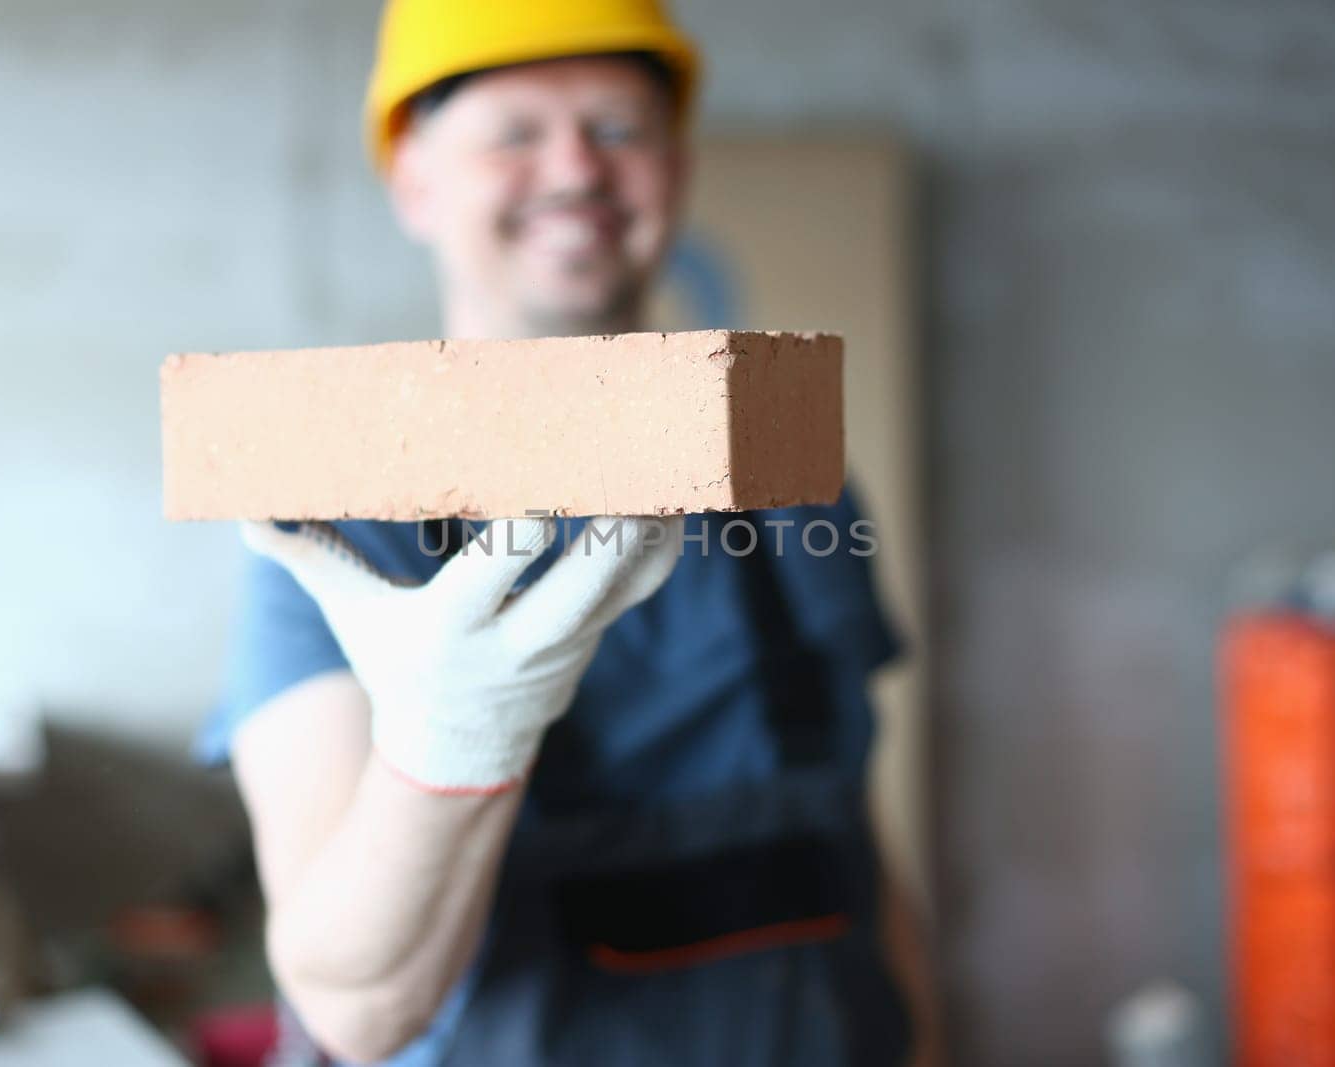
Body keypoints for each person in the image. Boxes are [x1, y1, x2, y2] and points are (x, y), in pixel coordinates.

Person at [193, 2, 939, 1064]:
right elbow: (356, 1012)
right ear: (415, 183)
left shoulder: (781, 469)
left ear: (675, 169)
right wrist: (448, 747)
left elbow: (859, 841)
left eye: (618, 128)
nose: (576, 168)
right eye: (515, 132)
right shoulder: (334, 521)